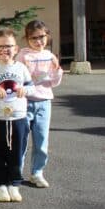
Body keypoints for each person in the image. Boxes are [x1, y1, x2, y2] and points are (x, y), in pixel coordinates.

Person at [0, 28, 34, 203]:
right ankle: (0, 184)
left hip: (18, 118)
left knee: (16, 153)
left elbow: (32, 87)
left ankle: (14, 184)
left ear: (16, 48)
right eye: (0, 46)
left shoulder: (21, 68)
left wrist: (25, 89)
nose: (4, 50)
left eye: (8, 46)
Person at [15, 20, 63, 188]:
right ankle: (16, 172)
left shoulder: (50, 56)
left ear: (47, 36)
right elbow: (17, 77)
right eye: (33, 38)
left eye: (41, 37)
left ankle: (37, 172)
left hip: (44, 102)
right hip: (25, 103)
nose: (38, 41)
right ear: (27, 39)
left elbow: (54, 82)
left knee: (41, 139)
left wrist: (57, 70)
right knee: (21, 139)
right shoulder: (23, 55)